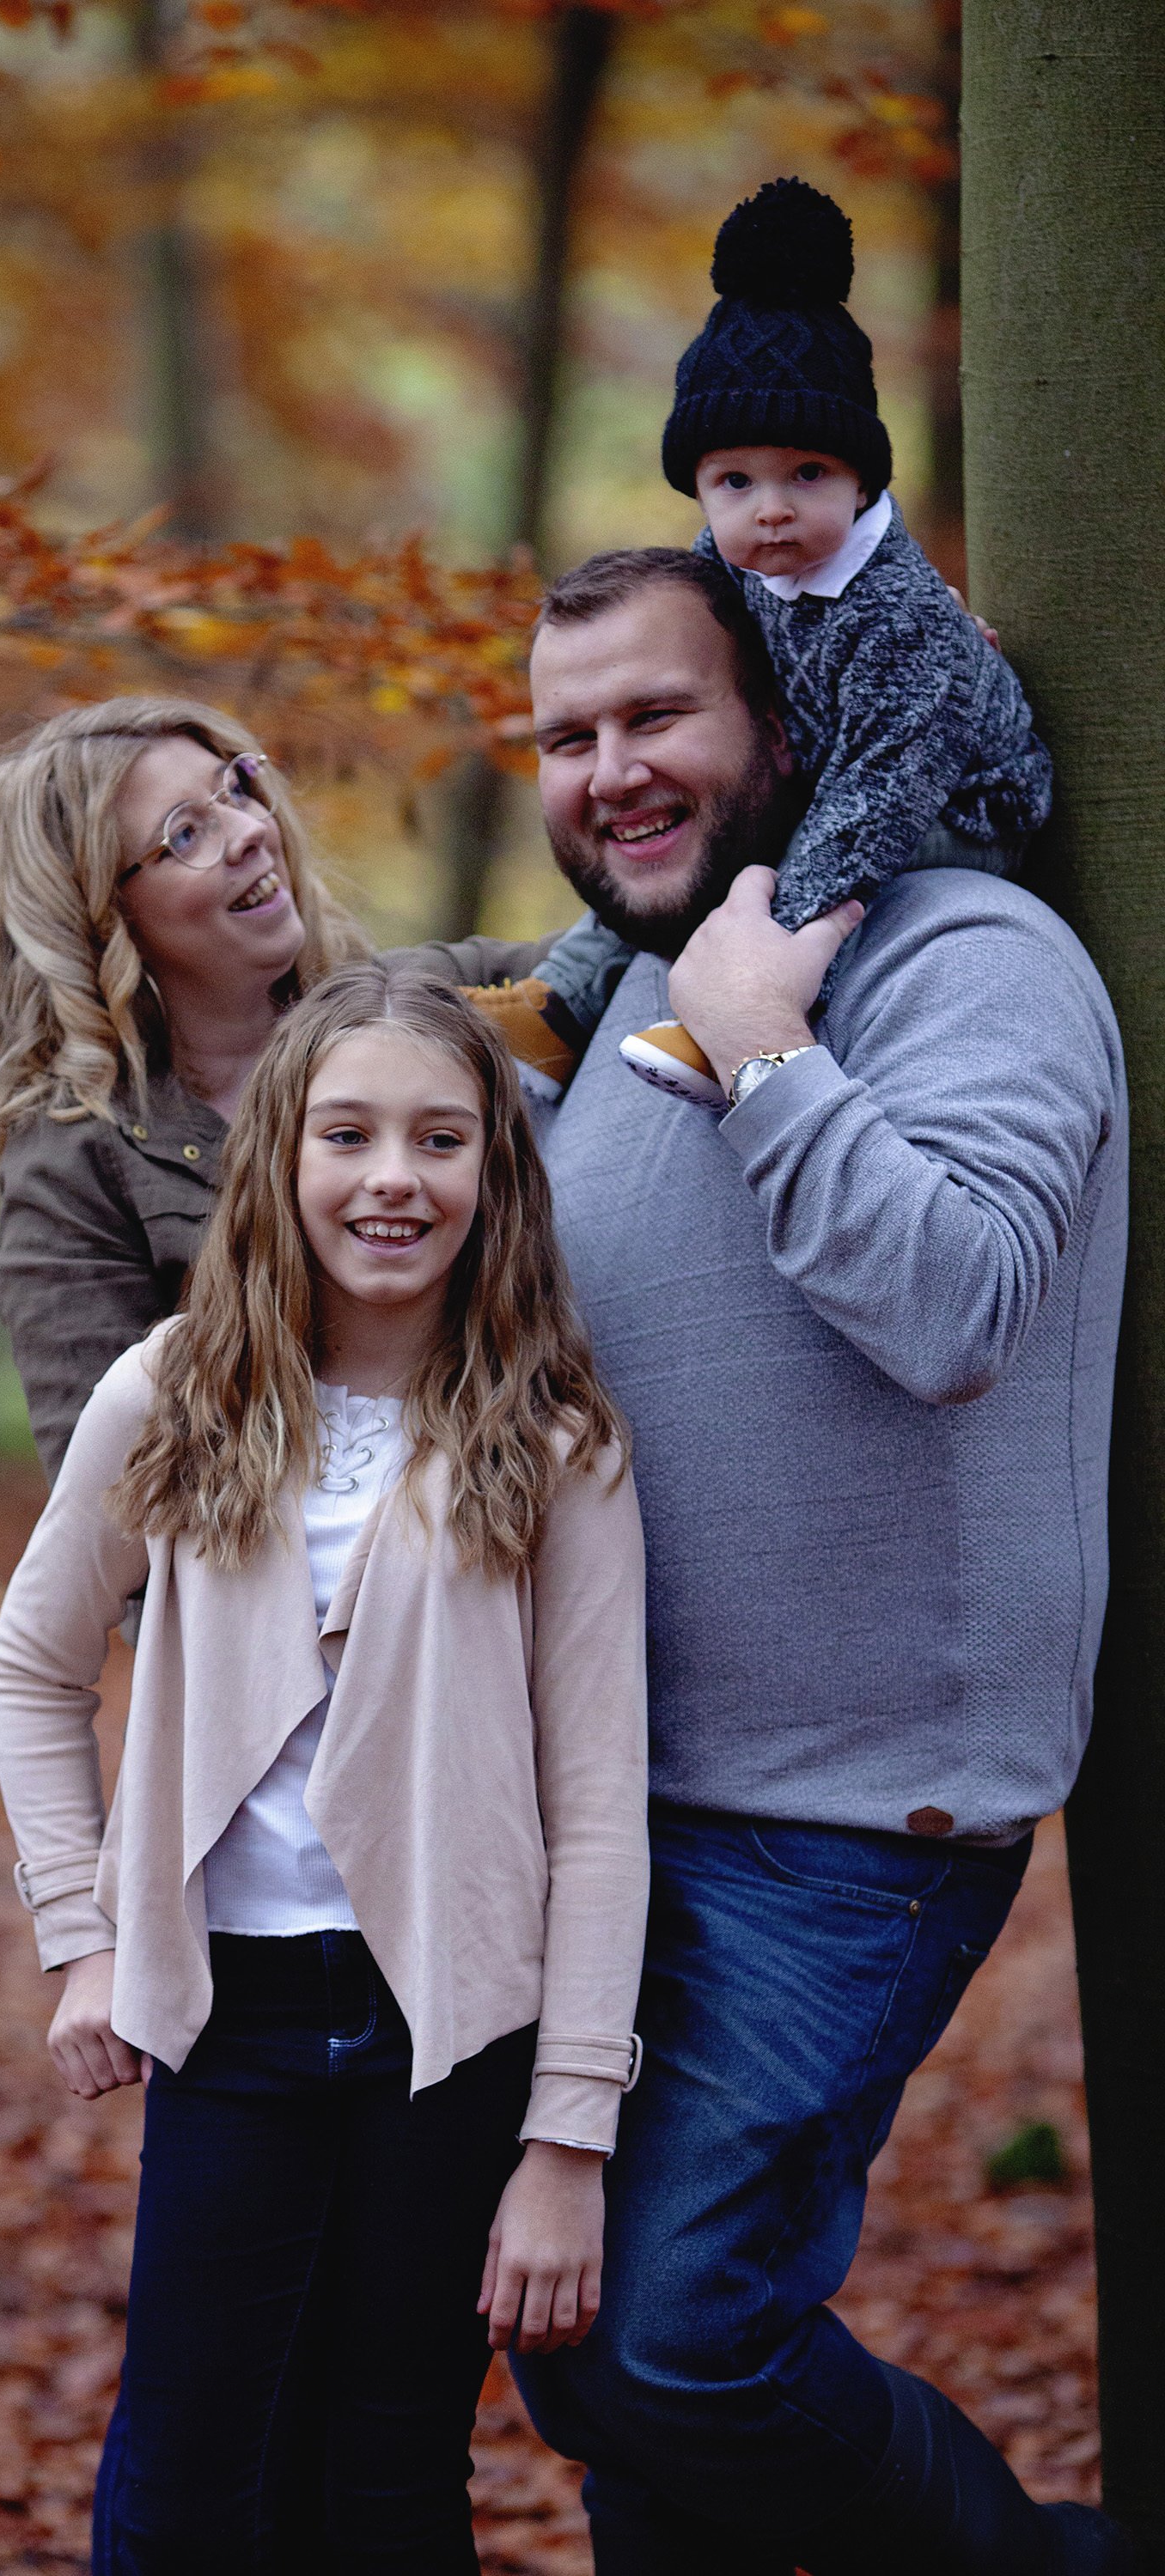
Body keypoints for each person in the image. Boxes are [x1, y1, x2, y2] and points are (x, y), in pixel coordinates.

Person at [514, 543, 1131, 2573]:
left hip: (854, 1810)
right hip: (610, 1807)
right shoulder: (612, 1008)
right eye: (564, 732)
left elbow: (954, 1309)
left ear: (777, 722)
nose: (606, 768)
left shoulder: (964, 958)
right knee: (583, 2348)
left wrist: (770, 1046)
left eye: (652, 716)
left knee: (683, 2340)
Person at [0, 963, 649, 2571]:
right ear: (282, 1154)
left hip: (457, 2026)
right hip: (237, 2016)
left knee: (390, 2469)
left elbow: (600, 1804)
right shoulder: (174, 1392)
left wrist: (568, 2136)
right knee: (192, 2470)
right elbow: (32, 1663)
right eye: (348, 1133)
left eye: (438, 1139)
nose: (392, 1179)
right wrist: (82, 1933)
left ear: (494, 1173)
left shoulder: (555, 1441)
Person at [0, 694, 627, 1477]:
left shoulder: (423, 1003)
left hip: (503, 1536)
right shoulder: (75, 1163)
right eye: (186, 834)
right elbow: (109, 1497)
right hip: (255, 1581)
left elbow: (622, 948)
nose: (251, 830)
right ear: (98, 911)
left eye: (235, 788)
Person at [535, 175, 1052, 1109]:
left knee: (828, 871)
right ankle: (557, 1003)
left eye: (804, 473)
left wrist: (765, 894)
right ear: (700, 489)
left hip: (953, 804)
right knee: (680, 813)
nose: (768, 509)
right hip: (831, 762)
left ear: (858, 479)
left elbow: (877, 802)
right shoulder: (728, 563)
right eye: (734, 482)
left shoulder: (898, 621)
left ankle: (750, 1017)